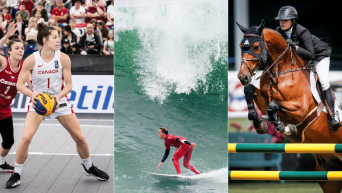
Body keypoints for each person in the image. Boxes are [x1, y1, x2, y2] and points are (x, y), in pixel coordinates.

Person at [5, 22, 109, 188]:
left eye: (58, 37)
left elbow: (69, 84)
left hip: (59, 101)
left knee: (80, 138)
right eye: (54, 37)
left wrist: (57, 97)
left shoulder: (63, 58)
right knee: (25, 138)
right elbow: (19, 84)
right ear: (45, 40)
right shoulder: (31, 60)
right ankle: (16, 173)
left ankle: (89, 167)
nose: (58, 40)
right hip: (38, 103)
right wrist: (33, 95)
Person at [275, 6, 341, 132]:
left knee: (323, 81)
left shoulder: (302, 31)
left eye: (285, 20)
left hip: (319, 55)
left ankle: (334, 116)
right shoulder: (279, 30)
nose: (282, 22)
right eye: (280, 20)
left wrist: (294, 46)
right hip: (303, 58)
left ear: (293, 20)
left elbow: (311, 54)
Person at [0, 22, 25, 174]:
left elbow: (29, 84)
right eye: (17, 48)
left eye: (22, 48)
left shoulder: (24, 66)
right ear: (9, 51)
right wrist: (7, 36)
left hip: (5, 108)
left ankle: (1, 162)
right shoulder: (3, 62)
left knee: (9, 141)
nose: (20, 50)